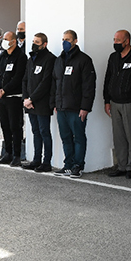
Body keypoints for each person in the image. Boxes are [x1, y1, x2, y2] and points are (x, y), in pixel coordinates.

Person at [104, 30, 131, 179]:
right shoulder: (113, 57)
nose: (115, 43)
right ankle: (121, 166)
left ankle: (130, 166)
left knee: (130, 135)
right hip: (114, 102)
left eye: (118, 40)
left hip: (130, 103)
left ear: (127, 41)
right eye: (114, 40)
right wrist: (106, 100)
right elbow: (108, 78)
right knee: (119, 136)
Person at [53, 30, 96, 178]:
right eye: (63, 39)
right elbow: (55, 83)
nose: (65, 42)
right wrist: (55, 103)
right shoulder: (59, 60)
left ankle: (78, 165)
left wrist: (85, 107)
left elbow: (89, 86)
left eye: (68, 39)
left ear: (75, 41)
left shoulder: (84, 60)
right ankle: (68, 165)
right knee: (65, 137)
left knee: (78, 137)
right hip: (61, 107)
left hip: (77, 108)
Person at [21, 32, 56, 172]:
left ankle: (47, 162)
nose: (34, 44)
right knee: (35, 131)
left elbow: (45, 83)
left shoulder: (50, 59)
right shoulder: (31, 59)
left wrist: (32, 99)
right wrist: (26, 98)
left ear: (44, 44)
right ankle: (36, 160)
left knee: (44, 132)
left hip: (41, 103)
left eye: (37, 42)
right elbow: (25, 80)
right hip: (30, 103)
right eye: (33, 41)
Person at [0, 31, 27, 166]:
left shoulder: (21, 56)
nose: (4, 41)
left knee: (15, 126)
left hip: (13, 97)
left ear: (13, 41)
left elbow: (18, 77)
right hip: (1, 97)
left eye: (7, 39)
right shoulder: (3, 55)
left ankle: (17, 155)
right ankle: (8, 153)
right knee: (4, 125)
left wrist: (5, 90)